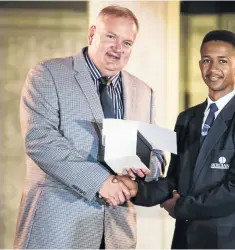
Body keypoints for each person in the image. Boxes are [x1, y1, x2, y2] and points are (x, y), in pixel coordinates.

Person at [14, 5, 164, 249]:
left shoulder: (143, 91)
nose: (118, 48)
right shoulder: (48, 74)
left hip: (117, 231)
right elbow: (40, 140)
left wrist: (146, 169)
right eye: (111, 37)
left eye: (127, 43)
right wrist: (100, 181)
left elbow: (155, 154)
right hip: (57, 227)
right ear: (92, 33)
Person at [119, 29, 235, 249]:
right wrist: (136, 190)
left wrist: (181, 207)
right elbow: (175, 179)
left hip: (226, 241)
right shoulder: (187, 118)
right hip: (185, 239)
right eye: (207, 60)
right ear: (200, 65)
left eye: (222, 61)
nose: (213, 69)